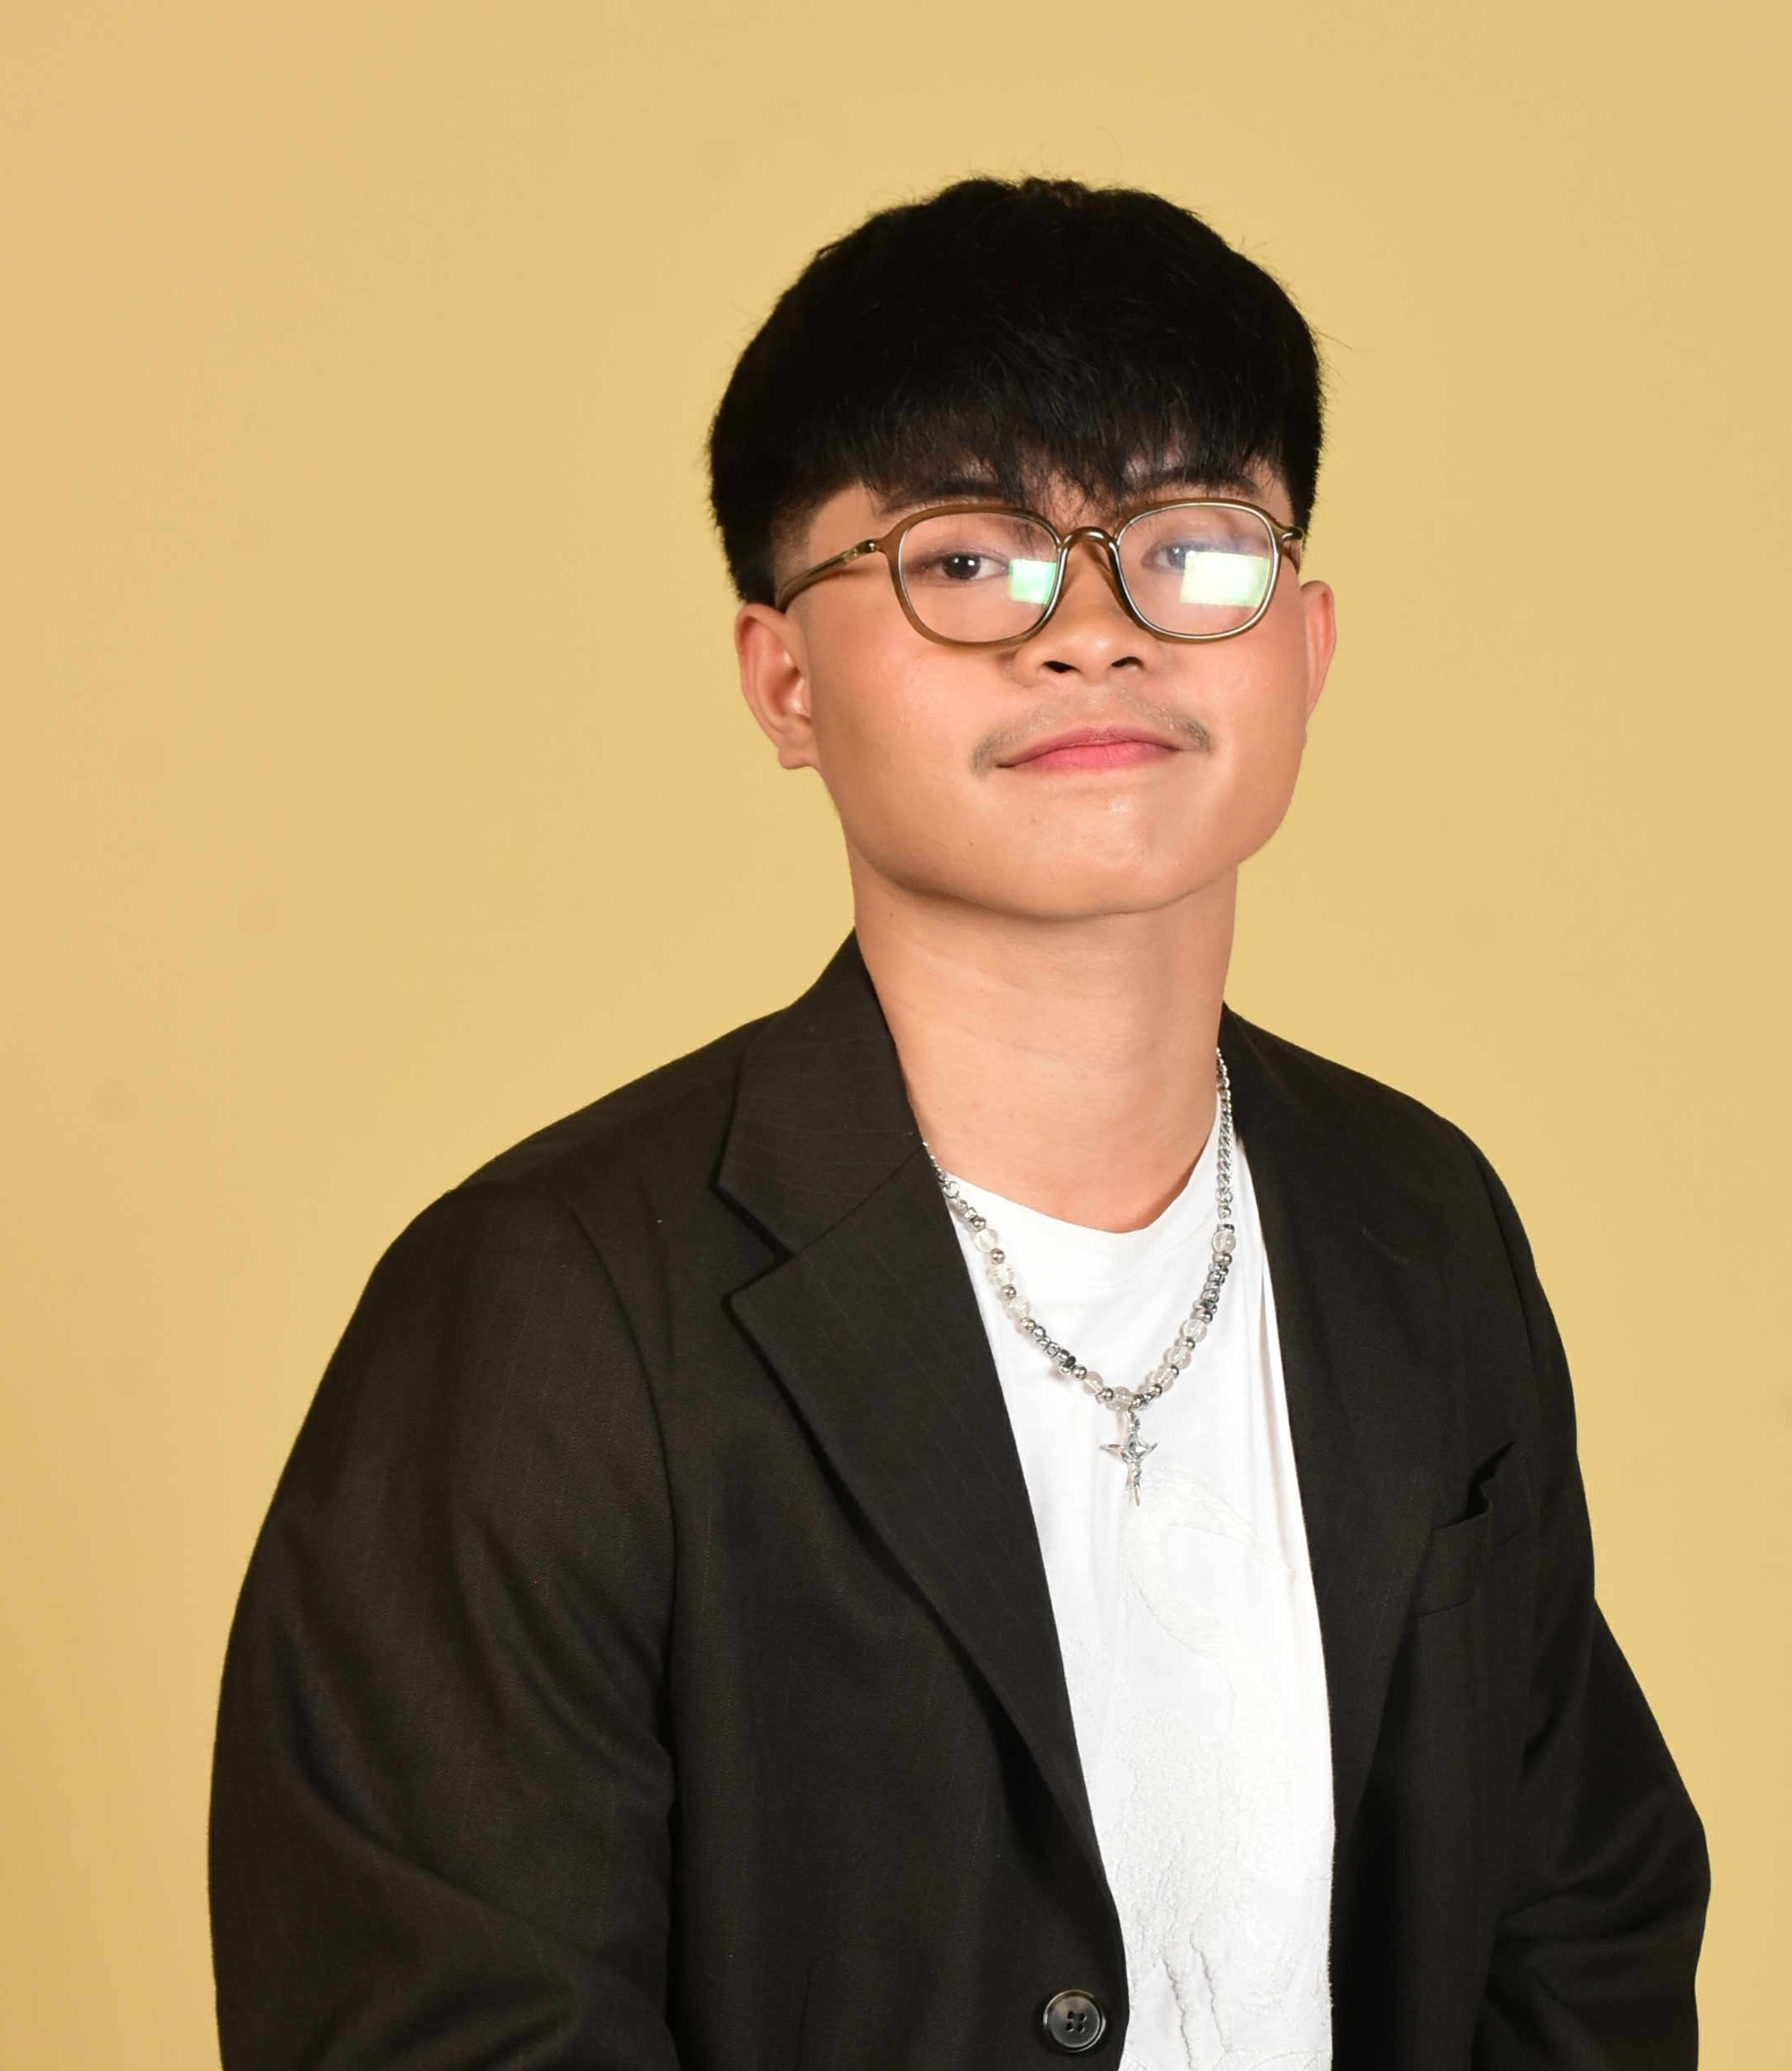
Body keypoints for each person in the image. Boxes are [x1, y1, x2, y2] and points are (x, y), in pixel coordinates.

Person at [208, 175, 1711, 2070]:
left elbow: (1577, 1915)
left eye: (1190, 547)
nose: (1094, 633)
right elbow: (444, 2027)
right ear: (784, 681)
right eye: (968, 560)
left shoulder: (1416, 1215)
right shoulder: (540, 1310)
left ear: (1307, 646)